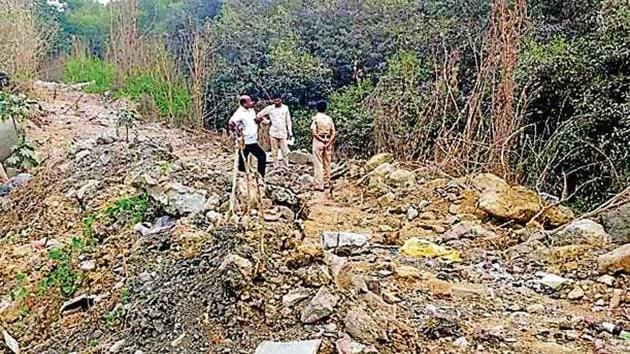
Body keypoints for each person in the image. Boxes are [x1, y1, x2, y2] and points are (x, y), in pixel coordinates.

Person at [228, 95, 267, 179]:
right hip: (245, 141)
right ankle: (242, 178)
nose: (252, 103)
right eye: (250, 101)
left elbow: (253, 121)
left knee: (261, 157)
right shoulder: (239, 113)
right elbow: (231, 123)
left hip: (252, 140)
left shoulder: (251, 110)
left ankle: (260, 177)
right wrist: (237, 130)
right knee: (247, 159)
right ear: (244, 103)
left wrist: (258, 120)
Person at [257, 96, 293, 169]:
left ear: (281, 100)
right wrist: (267, 121)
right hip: (273, 132)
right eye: (275, 100)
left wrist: (290, 132)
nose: (277, 101)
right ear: (273, 100)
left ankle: (286, 165)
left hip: (283, 132)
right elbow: (259, 114)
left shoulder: (285, 108)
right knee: (274, 150)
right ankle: (276, 165)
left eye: (278, 100)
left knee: (284, 150)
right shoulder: (270, 108)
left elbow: (288, 121)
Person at [311, 100, 336, 191]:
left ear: (317, 108)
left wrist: (321, 140)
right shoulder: (329, 119)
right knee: (327, 162)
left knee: (318, 163)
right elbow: (334, 132)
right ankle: (326, 182)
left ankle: (319, 184)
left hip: (319, 140)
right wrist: (328, 142)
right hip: (328, 139)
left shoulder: (316, 119)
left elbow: (314, 132)